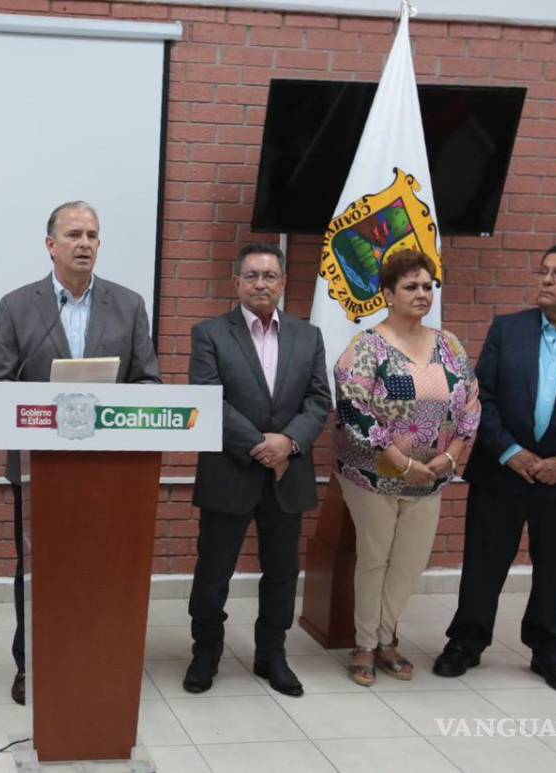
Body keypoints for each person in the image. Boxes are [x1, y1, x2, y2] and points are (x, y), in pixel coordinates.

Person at [0, 200, 162, 704]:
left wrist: (109, 408)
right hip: (42, 466)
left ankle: (97, 659)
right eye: (74, 234)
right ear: (51, 245)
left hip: (110, 469)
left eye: (93, 235)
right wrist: (48, 406)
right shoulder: (19, 306)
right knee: (40, 569)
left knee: (102, 568)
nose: (85, 243)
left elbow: (149, 382)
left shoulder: (128, 305)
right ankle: (31, 665)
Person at [434, 243, 556, 694]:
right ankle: (466, 642)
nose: (546, 280)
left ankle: (548, 651)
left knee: (553, 567)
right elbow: (482, 397)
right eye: (544, 271)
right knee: (484, 562)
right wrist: (510, 453)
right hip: (503, 470)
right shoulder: (508, 329)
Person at [183, 243, 331, 697]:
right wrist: (260, 446)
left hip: (289, 473)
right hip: (230, 470)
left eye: (269, 276)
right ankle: (206, 652)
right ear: (237, 283)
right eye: (251, 276)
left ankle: (273, 655)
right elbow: (209, 400)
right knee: (213, 572)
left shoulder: (309, 336)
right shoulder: (209, 333)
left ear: (284, 282)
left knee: (283, 572)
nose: (261, 284)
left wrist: (289, 442)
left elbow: (319, 400)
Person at [332, 249, 480, 687]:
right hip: (372, 475)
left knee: (409, 562)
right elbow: (353, 409)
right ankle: (363, 643)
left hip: (431, 478)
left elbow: (471, 405)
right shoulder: (367, 347)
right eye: (411, 287)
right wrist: (400, 462)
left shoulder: (449, 345)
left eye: (428, 286)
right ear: (387, 294)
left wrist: (450, 458)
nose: (422, 294)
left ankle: (386, 638)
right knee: (375, 559)